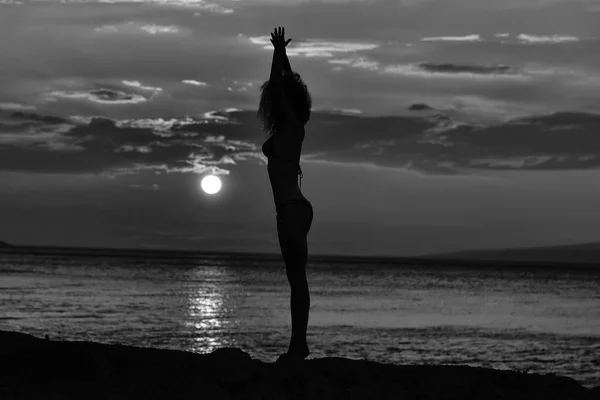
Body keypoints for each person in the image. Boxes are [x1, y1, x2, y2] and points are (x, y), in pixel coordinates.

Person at [257, 26, 314, 362]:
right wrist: (283, 56)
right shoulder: (288, 128)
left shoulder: (294, 128)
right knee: (296, 279)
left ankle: (298, 346)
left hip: (292, 209)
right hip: (290, 210)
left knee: (297, 280)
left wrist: (277, 52)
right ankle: (298, 345)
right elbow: (286, 85)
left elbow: (281, 87)